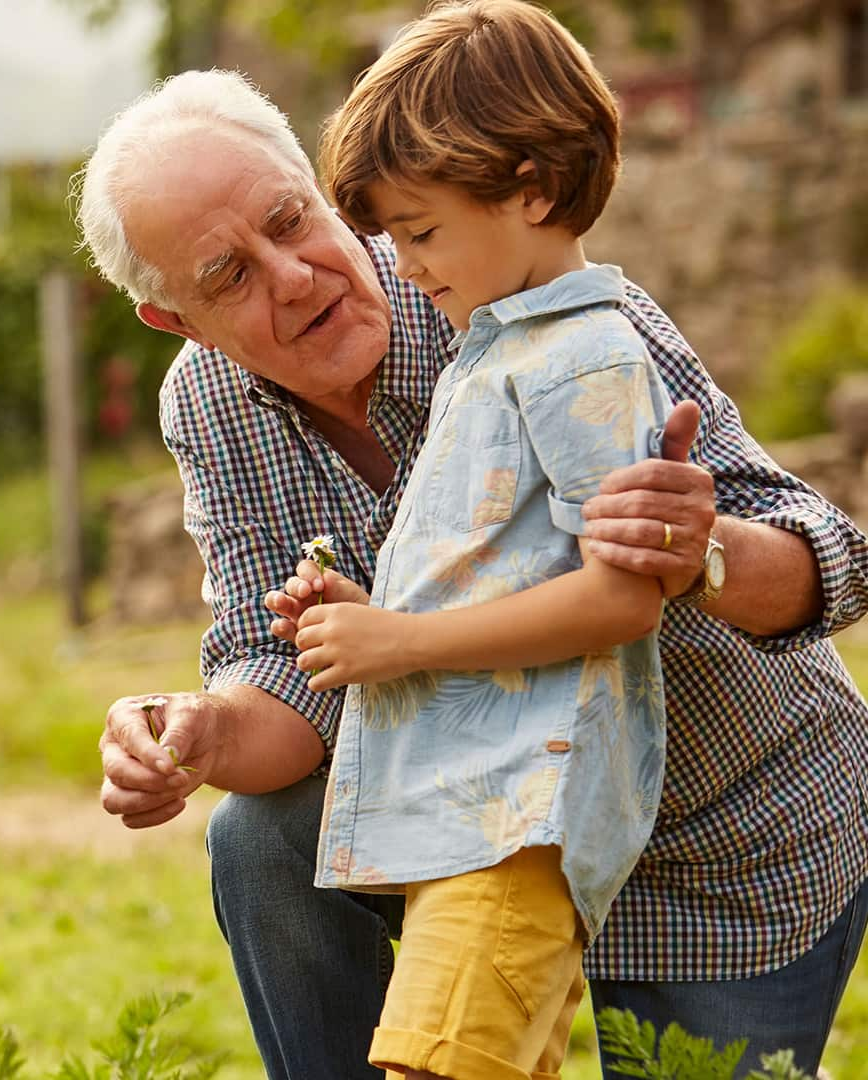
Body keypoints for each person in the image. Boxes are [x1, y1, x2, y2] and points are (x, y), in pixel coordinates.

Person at [76, 54, 868, 1080]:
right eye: (229, 277)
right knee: (262, 838)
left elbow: (832, 558)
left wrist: (700, 552)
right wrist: (199, 732)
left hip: (712, 829)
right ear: (176, 322)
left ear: (323, 190)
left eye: (288, 222)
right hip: (480, 821)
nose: (294, 277)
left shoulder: (534, 300)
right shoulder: (210, 403)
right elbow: (285, 674)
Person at [257, 5, 675, 1076]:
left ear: (532, 189)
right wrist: (361, 610)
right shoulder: (494, 350)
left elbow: (623, 599)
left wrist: (396, 644)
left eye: (424, 232)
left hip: (516, 821)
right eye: (391, 238)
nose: (403, 264)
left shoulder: (585, 358)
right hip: (469, 816)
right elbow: (499, 564)